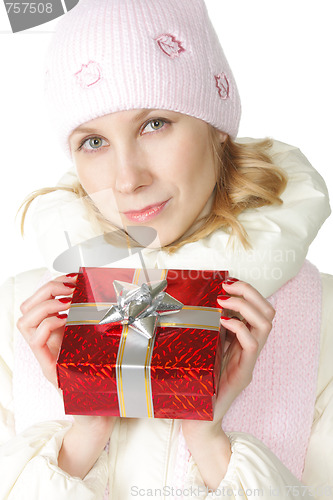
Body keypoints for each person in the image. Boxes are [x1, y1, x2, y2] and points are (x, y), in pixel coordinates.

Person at [0, 0, 332, 499]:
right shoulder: (27, 316)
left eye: (154, 123)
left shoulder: (320, 316)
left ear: (218, 126)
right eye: (93, 141)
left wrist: (210, 438)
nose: (128, 179)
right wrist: (83, 434)